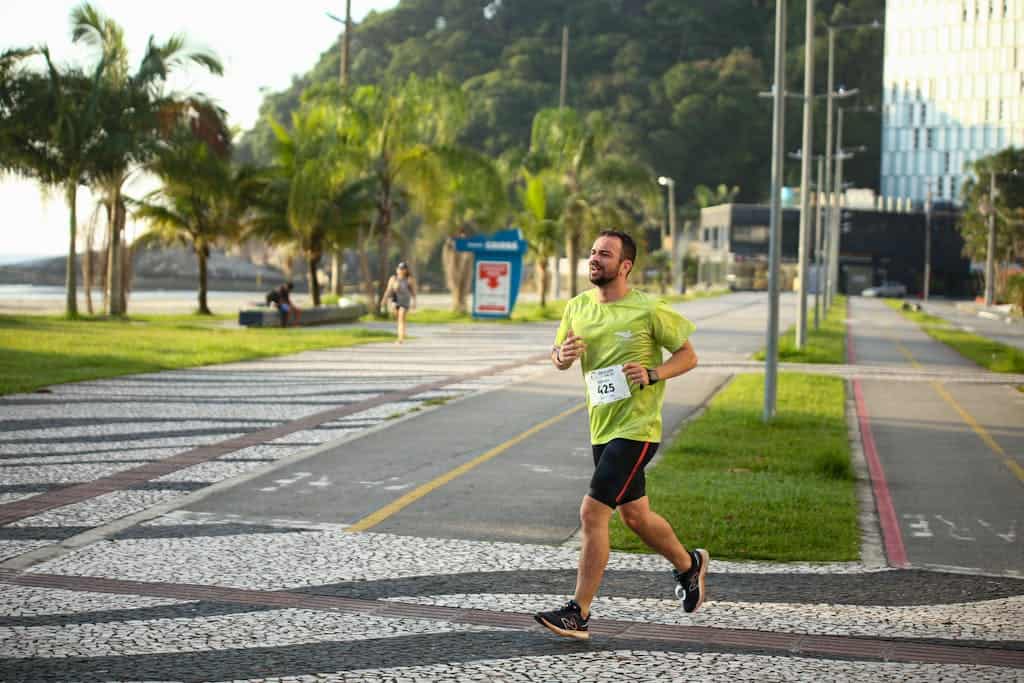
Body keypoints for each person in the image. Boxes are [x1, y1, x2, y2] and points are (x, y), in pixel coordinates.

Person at [534, 229, 707, 641]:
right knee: (636, 516)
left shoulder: (647, 309)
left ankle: (579, 612)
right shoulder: (577, 306)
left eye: (604, 254)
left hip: (637, 428)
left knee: (593, 512)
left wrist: (653, 373)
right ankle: (689, 565)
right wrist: (562, 356)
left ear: (624, 265)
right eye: (593, 252)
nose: (595, 259)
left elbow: (688, 355)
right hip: (602, 427)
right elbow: (557, 355)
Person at [380, 261, 417, 343]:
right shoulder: (393, 279)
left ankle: (400, 339)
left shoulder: (409, 279)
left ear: (406, 270)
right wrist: (384, 300)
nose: (401, 270)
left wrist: (414, 302)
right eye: (400, 268)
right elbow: (388, 290)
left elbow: (413, 292)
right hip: (395, 300)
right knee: (398, 319)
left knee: (401, 318)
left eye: (403, 269)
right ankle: (401, 334)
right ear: (397, 269)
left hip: (405, 301)